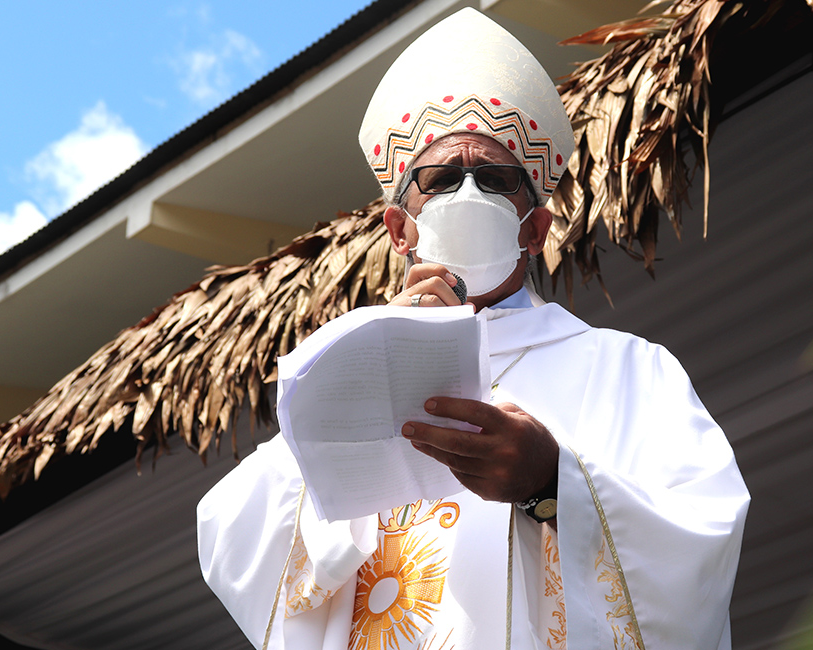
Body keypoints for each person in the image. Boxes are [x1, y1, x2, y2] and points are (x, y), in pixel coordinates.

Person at [197, 9, 749, 650]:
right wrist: (364, 378)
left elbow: (702, 539)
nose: (468, 194)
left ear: (534, 230)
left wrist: (551, 482)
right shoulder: (350, 366)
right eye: (440, 180)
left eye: (494, 179)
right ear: (399, 228)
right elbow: (231, 534)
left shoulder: (629, 370)